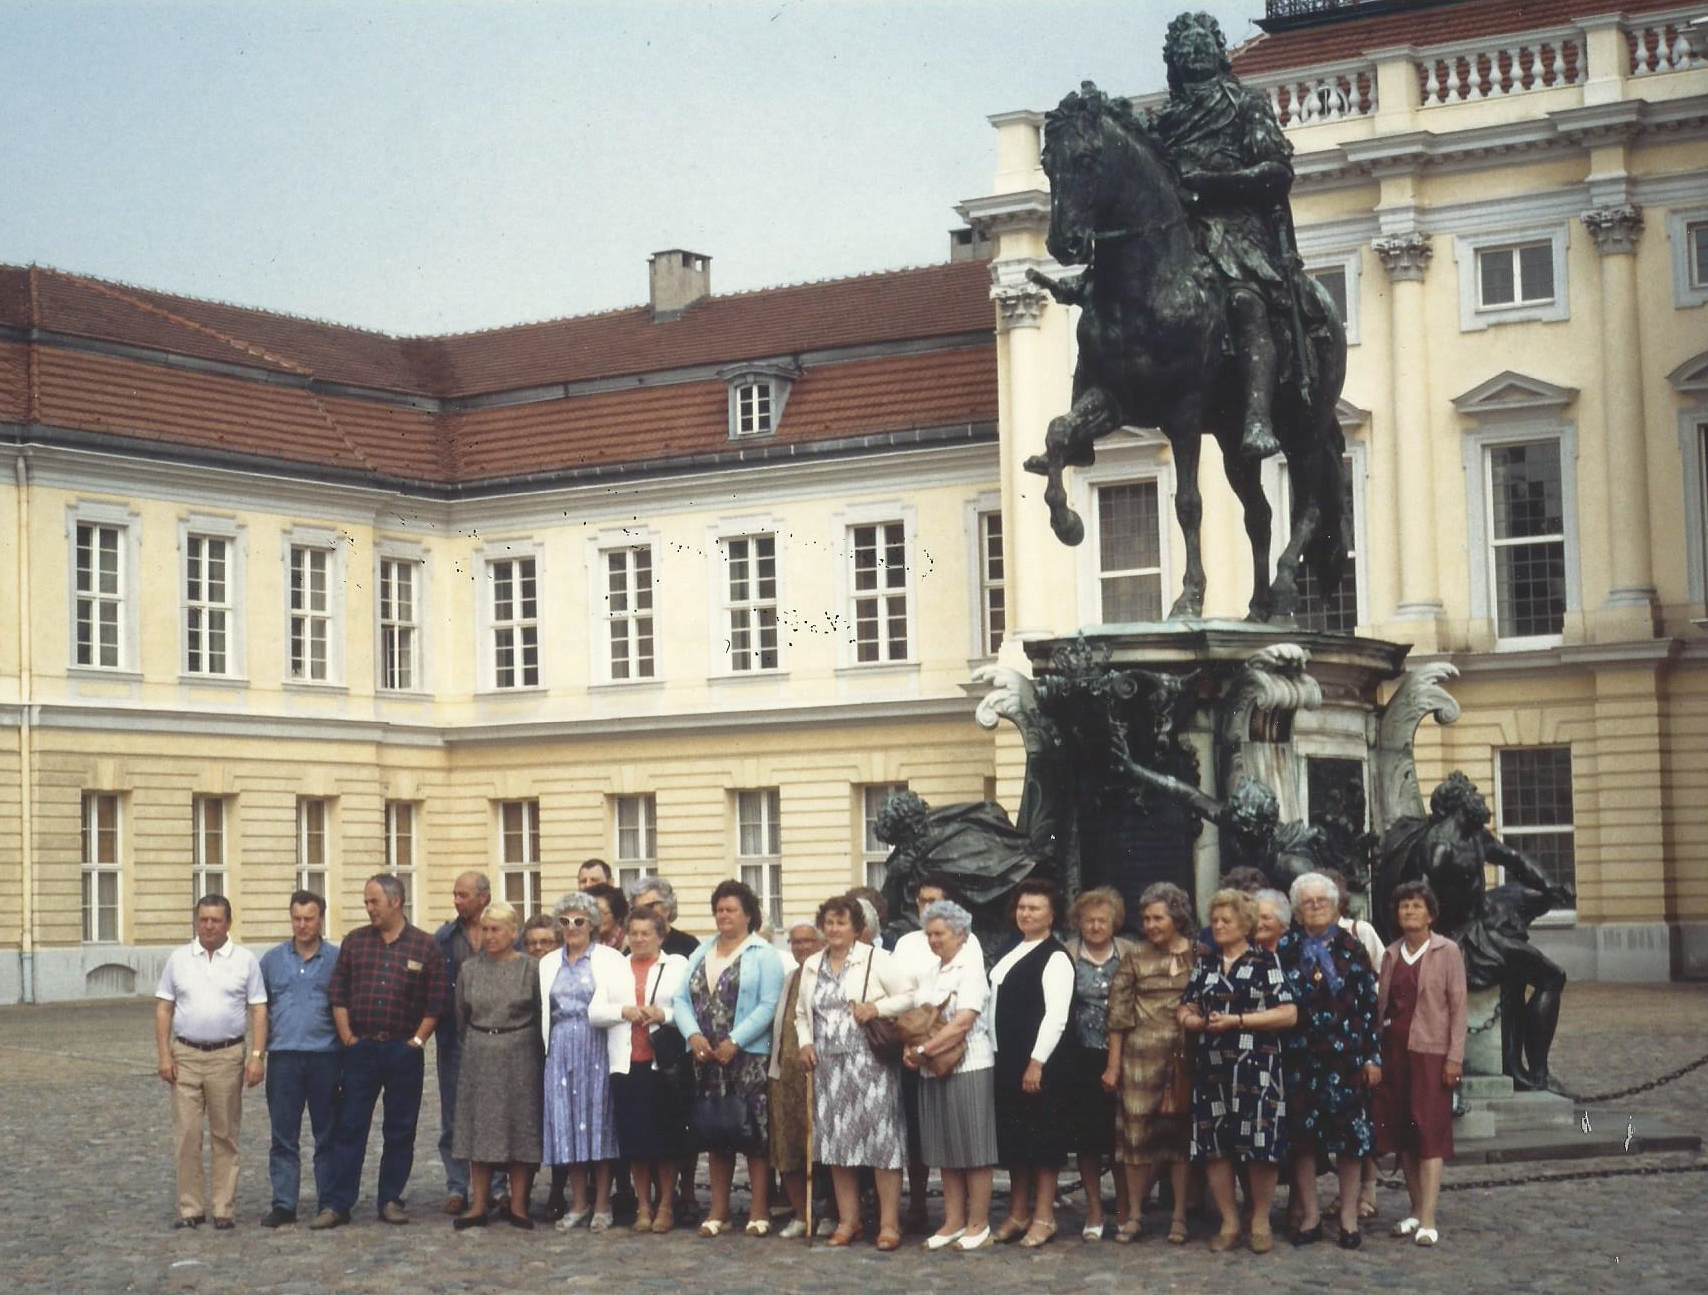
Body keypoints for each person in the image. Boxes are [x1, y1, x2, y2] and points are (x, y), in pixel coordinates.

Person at [1147, 10, 1296, 459]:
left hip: (1237, 229)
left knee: (1244, 302)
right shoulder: (1160, 123)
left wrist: (1214, 183)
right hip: (1180, 237)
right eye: (1183, 45)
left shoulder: (1245, 105)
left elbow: (1276, 172)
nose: (1193, 50)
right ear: (1172, 60)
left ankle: (1256, 417)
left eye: (1203, 42)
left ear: (1219, 52)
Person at [317, 874, 449, 1229]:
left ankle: (390, 1198)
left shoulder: (425, 946)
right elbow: (338, 993)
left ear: (395, 901)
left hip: (403, 1050)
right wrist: (347, 1037)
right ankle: (338, 1203)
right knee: (349, 1127)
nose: (368, 908)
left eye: (373, 902)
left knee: (400, 1129)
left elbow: (436, 1002)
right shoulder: (355, 942)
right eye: (366, 902)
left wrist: (417, 1042)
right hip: (360, 1049)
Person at [1178, 888, 1298, 1254]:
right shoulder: (1207, 964)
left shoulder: (1265, 962)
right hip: (1213, 1066)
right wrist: (1194, 1022)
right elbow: (1185, 1006)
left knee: (1260, 1142)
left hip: (1256, 1065)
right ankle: (1229, 1221)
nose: (1218, 926)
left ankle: (1259, 1218)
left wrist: (1238, 1020)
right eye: (1214, 920)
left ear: (1245, 925)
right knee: (1216, 1144)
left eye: (1226, 920)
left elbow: (1288, 1013)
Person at [796, 896, 912, 1249]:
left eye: (841, 923)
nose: (833, 929)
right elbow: (803, 1013)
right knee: (837, 1145)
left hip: (871, 1064)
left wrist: (876, 1006)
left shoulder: (875, 958)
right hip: (829, 1066)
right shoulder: (813, 964)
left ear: (856, 928)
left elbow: (909, 996)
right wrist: (805, 1043)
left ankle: (890, 1224)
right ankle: (849, 1221)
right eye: (828, 923)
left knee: (882, 1144)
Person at [671, 879, 784, 1237]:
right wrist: (693, 1035)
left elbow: (768, 1005)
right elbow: (680, 1000)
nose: (724, 916)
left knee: (752, 1133)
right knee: (715, 1131)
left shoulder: (763, 953)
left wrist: (736, 1039)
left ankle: (758, 1208)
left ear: (748, 914)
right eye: (719, 910)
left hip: (746, 1055)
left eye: (731, 909)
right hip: (707, 1057)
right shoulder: (701, 952)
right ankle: (718, 1210)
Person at [1276, 872, 1380, 1249]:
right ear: (1297, 911)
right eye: (1308, 902)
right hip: (1299, 1059)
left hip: (1346, 1060)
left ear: (1336, 907)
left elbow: (1370, 1006)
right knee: (1303, 1142)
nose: (1315, 906)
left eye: (1322, 901)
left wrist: (1372, 1058)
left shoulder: (1352, 948)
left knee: (1350, 1142)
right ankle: (1311, 1215)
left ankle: (1349, 1218)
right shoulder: (1284, 948)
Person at [154, 894, 268, 1230]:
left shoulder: (245, 960)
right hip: (185, 1056)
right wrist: (163, 1054)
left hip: (227, 1057)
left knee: (225, 1134)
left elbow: (259, 1010)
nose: (208, 925)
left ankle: (223, 1208)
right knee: (187, 1134)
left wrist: (257, 1056)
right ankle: (190, 1208)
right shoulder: (178, 959)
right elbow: (164, 1008)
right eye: (203, 919)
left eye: (215, 920)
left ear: (228, 923)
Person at [1374, 880, 1467, 1248]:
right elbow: (1383, 1007)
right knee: (1404, 1135)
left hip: (1431, 1054)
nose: (1409, 912)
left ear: (1430, 912)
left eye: (1416, 906)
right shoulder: (1391, 954)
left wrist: (1454, 1057)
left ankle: (1428, 1218)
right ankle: (1414, 1209)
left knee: (1429, 1134)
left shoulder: (1447, 951)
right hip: (1395, 1054)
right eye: (1403, 906)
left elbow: (1459, 1009)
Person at [1103, 882, 1195, 1245]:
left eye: (1158, 917)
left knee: (1179, 1142)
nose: (1151, 924)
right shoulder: (1134, 958)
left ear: (1177, 917)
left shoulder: (1199, 955)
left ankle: (1179, 1217)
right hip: (1139, 1061)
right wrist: (1113, 1066)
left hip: (1182, 1061)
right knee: (1137, 1141)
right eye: (1146, 918)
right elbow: (1118, 1015)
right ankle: (1136, 1214)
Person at [904, 898, 997, 1251]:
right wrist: (910, 1049)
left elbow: (963, 1023)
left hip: (968, 1065)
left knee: (973, 1147)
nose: (933, 940)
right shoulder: (930, 974)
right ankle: (953, 1220)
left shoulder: (970, 969)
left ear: (960, 935)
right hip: (933, 1070)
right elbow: (919, 1020)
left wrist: (925, 1051)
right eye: (929, 934)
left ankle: (979, 1222)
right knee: (944, 1146)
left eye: (940, 934)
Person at [890, 875, 982, 1230]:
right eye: (922, 900)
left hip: (952, 1051)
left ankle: (970, 1218)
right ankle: (923, 1204)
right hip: (915, 1045)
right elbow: (904, 993)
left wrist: (925, 1041)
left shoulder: (967, 945)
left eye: (934, 900)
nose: (927, 907)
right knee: (923, 1131)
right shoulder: (907, 943)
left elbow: (957, 1009)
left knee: (964, 1140)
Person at [988, 878, 1075, 1249]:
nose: (1026, 913)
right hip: (1006, 1060)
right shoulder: (1013, 949)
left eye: (1035, 908)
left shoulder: (1055, 956)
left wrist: (1036, 1062)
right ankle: (1018, 1213)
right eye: (1022, 907)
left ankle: (1044, 1217)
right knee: (1016, 1142)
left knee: (1042, 1143)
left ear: (1052, 915)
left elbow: (1056, 1015)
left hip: (1039, 1062)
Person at [449, 900, 541, 1231]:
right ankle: (478, 1204)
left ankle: (517, 1205)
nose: (489, 936)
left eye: (496, 929)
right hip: (480, 1052)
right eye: (485, 929)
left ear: (513, 933)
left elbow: (540, 1012)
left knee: (520, 1127)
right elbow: (462, 1014)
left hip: (520, 1052)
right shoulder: (469, 970)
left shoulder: (530, 969)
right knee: (481, 1129)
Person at [539, 890, 628, 1230]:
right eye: (564, 921)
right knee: (566, 1125)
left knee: (599, 1124)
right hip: (561, 1047)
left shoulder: (608, 959)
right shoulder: (549, 963)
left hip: (597, 1046)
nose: (571, 927)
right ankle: (578, 1202)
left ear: (591, 924)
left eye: (578, 921)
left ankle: (603, 1203)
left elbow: (619, 1003)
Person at [258, 890, 340, 1228]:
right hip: (284, 1058)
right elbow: (260, 1009)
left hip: (325, 1056)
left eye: (308, 918)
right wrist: (256, 1054)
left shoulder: (336, 959)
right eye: (296, 918)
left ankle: (329, 1200)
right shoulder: (272, 960)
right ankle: (284, 1202)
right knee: (283, 1135)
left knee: (328, 1134)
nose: (302, 925)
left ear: (321, 918)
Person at [1063, 887, 1136, 1240]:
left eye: (1102, 920)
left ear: (1114, 923)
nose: (1095, 926)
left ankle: (1124, 1206)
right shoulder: (1067, 953)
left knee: (1121, 1137)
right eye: (1089, 920)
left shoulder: (1129, 952)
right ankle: (1093, 1209)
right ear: (1079, 922)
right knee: (1088, 1140)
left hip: (1124, 1054)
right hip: (1081, 1056)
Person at [613, 905, 690, 1232]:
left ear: (661, 935)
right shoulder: (616, 967)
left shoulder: (676, 965)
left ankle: (665, 1206)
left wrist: (664, 1015)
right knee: (636, 1141)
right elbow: (595, 1010)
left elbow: (687, 1007)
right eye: (634, 933)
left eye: (647, 933)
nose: (640, 939)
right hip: (627, 1063)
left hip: (664, 1062)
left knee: (666, 1140)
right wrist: (623, 1010)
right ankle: (643, 1206)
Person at [433, 870, 491, 1216]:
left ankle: (497, 1187)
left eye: (463, 895)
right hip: (454, 1038)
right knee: (453, 1116)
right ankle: (457, 1186)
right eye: (455, 894)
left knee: (493, 1115)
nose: (456, 901)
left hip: (496, 1037)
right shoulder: (444, 937)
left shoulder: (504, 933)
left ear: (483, 897)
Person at [768, 921, 824, 1239]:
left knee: (821, 1149)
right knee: (787, 1145)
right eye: (795, 942)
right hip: (785, 1075)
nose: (801, 947)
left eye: (808, 941)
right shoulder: (790, 978)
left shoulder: (824, 976)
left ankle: (830, 1212)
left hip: (816, 1074)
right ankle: (801, 1214)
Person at [626, 876, 700, 958]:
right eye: (637, 909)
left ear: (667, 907)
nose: (643, 913)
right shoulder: (632, 949)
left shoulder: (688, 946)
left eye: (649, 906)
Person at [587, 882, 629, 951]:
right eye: (592, 912)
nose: (596, 917)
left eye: (601, 912)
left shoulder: (631, 944)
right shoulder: (587, 945)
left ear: (617, 913)